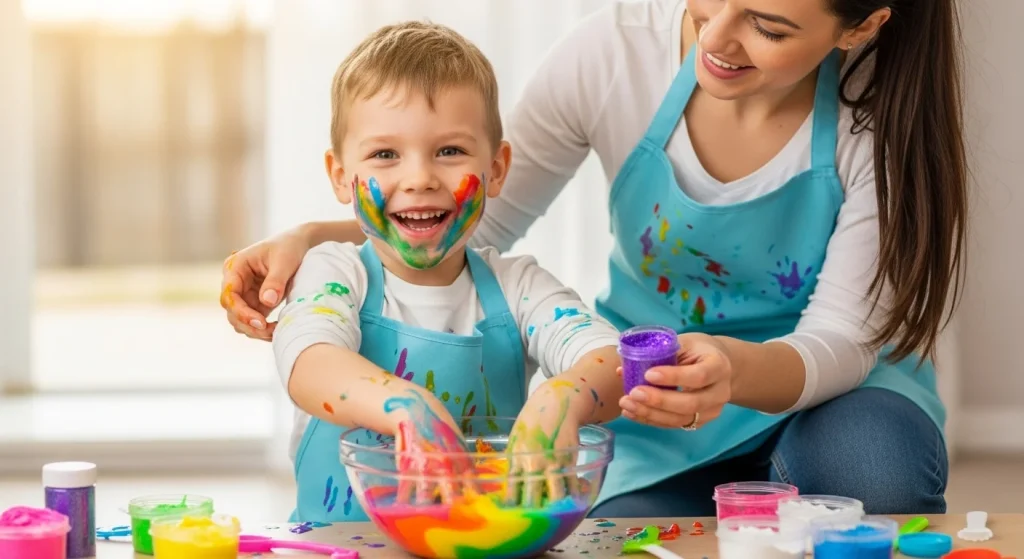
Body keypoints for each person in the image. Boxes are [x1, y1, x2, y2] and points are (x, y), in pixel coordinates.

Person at [223, 0, 967, 517]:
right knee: (612, 537)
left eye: (768, 25)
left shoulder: (881, 118)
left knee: (871, 477)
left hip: (829, 391)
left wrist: (728, 370)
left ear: (861, 25)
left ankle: (781, 489)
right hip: (654, 397)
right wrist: (315, 240)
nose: (717, 34)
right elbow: (463, 223)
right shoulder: (614, 52)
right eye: (713, 1)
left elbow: (837, 337)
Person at [262, 21, 628, 523]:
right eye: (385, 154)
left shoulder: (518, 288)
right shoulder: (336, 274)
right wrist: (407, 408)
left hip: (488, 546)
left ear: (497, 169)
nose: (419, 178)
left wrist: (561, 400)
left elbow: (613, 360)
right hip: (337, 548)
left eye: (450, 151)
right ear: (341, 176)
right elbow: (309, 363)